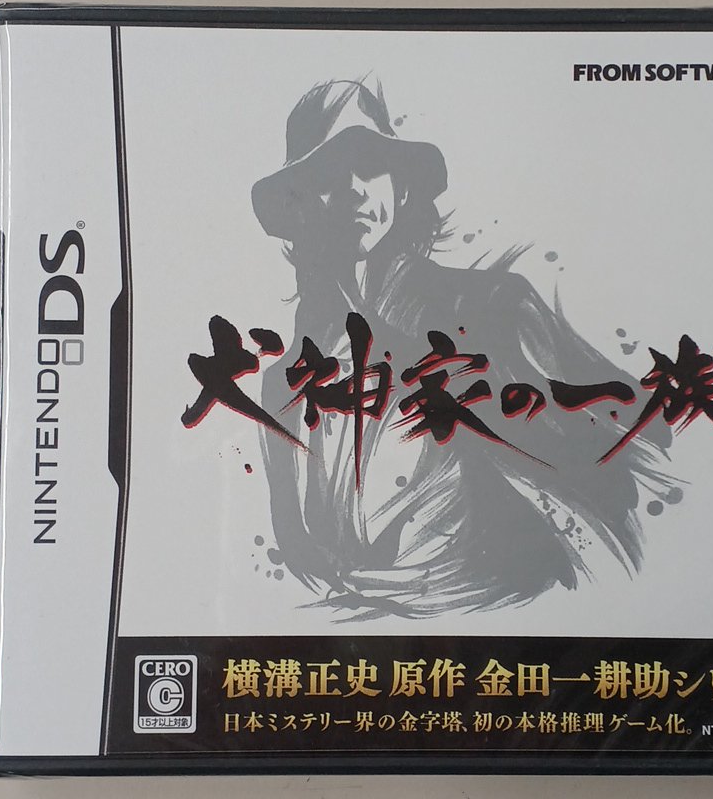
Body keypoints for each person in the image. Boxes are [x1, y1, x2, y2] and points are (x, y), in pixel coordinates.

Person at [242, 77, 670, 620]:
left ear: (401, 189)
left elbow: (643, 433)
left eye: (371, 165)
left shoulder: (493, 308)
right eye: (326, 173)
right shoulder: (284, 384)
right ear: (298, 205)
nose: (353, 188)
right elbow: (299, 555)